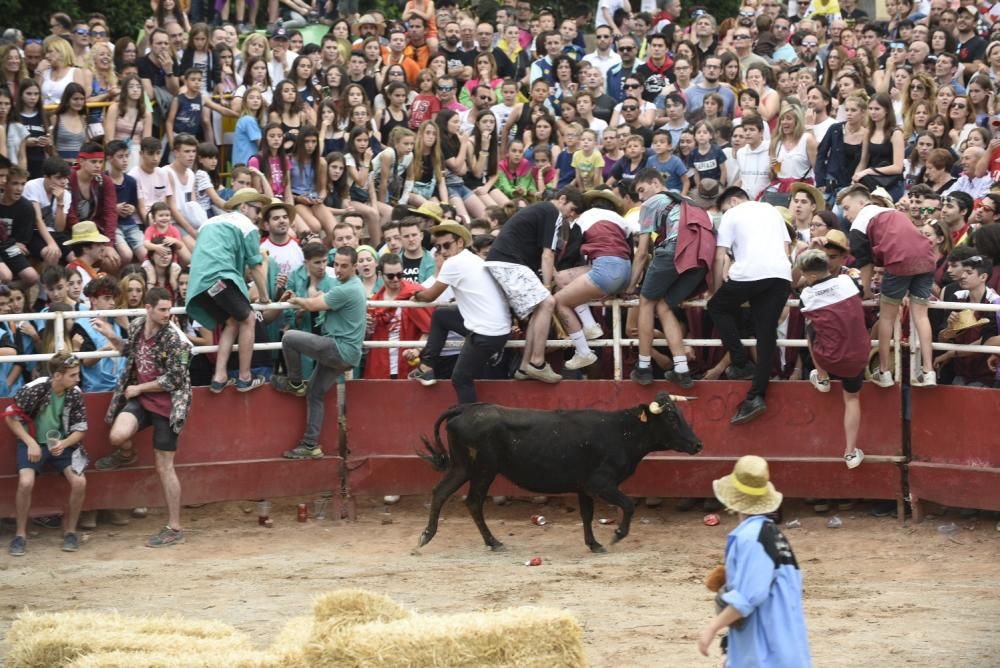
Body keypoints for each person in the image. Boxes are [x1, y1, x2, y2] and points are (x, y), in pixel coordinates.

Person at [94, 287, 191, 548]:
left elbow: (175, 378)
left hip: (168, 406)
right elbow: (130, 351)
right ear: (148, 309)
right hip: (144, 399)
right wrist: (110, 335)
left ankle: (174, 526)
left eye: (169, 309)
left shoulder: (174, 338)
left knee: (165, 467)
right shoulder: (138, 326)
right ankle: (127, 454)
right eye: (162, 309)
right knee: (117, 435)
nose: (167, 314)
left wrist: (139, 388)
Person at [697, 455, 811, 666]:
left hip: (765, 655)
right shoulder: (774, 535)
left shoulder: (750, 538)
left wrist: (713, 628)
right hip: (786, 650)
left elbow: (748, 598)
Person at [272, 246, 367, 460]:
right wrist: (303, 300)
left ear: (354, 267)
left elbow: (314, 305)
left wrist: (295, 300)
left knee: (289, 338)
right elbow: (319, 302)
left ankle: (295, 383)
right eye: (337, 264)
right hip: (344, 353)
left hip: (338, 350)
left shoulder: (347, 289)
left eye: (344, 266)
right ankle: (310, 444)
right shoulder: (351, 286)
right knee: (314, 394)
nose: (339, 269)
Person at [838, 184, 937, 387]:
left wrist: (864, 292)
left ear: (862, 203)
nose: (845, 214)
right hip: (926, 259)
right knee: (921, 315)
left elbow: (865, 266)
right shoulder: (893, 211)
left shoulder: (858, 226)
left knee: (886, 317)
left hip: (899, 261)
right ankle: (928, 371)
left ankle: (883, 372)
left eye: (846, 208)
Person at [708, 187, 792, 424]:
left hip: (750, 274)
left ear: (733, 201)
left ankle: (740, 361)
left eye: (724, 208)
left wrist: (715, 291)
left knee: (717, 307)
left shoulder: (732, 214)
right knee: (766, 334)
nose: (724, 213)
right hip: (780, 275)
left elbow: (719, 256)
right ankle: (756, 395)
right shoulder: (772, 211)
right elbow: (787, 248)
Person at [485, 189, 584, 383]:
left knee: (540, 309)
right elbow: (548, 255)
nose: (572, 215)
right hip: (508, 262)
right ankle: (537, 363)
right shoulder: (552, 212)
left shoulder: (540, 210)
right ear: (562, 198)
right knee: (547, 302)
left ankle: (524, 367)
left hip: (503, 262)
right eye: (573, 209)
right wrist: (547, 285)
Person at [410, 222, 511, 402]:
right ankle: (426, 366)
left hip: (486, 332)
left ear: (460, 243)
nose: (442, 251)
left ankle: (470, 423)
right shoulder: (472, 259)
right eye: (438, 247)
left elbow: (429, 296)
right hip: (496, 328)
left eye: (446, 245)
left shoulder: (454, 263)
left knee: (460, 379)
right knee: (442, 315)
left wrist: (414, 294)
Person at [628, 168, 711, 387]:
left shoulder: (651, 204)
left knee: (646, 302)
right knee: (663, 306)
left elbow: (642, 251)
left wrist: (630, 286)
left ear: (656, 183)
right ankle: (682, 369)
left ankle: (644, 366)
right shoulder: (688, 200)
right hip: (702, 257)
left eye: (642, 189)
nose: (641, 197)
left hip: (674, 250)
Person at [186, 188, 272, 393]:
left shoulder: (209, 222)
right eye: (257, 209)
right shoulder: (246, 226)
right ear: (243, 207)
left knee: (232, 322)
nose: (259, 215)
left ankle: (219, 377)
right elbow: (256, 266)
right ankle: (244, 378)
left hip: (198, 285)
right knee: (249, 319)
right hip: (219, 278)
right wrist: (265, 297)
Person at [4, 351, 87, 556]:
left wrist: (65, 442)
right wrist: (30, 442)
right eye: (73, 375)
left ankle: (70, 531)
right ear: (58, 375)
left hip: (63, 443)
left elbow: (81, 430)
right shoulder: (34, 388)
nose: (78, 379)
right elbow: (10, 417)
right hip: (32, 442)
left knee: (80, 482)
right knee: (25, 482)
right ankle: (20, 534)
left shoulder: (75, 393)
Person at [797, 250, 869, 469]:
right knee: (852, 399)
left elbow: (806, 308)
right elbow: (861, 288)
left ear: (811, 276)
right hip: (858, 355)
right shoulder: (848, 282)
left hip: (829, 359)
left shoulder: (807, 295)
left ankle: (822, 378)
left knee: (810, 328)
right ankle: (850, 453)